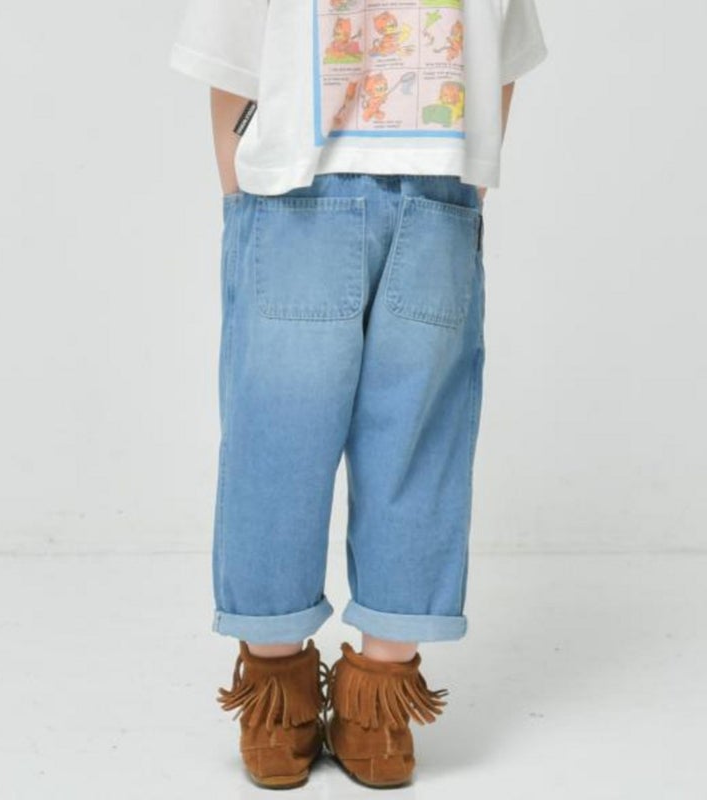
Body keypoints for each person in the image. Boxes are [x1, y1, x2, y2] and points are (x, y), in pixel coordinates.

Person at [169, 0, 548, 789]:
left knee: (277, 444)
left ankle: (281, 696)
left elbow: (227, 63)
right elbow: (504, 66)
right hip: (428, 194)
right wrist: (472, 186)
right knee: (415, 447)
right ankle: (378, 705)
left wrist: (238, 198)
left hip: (301, 197)